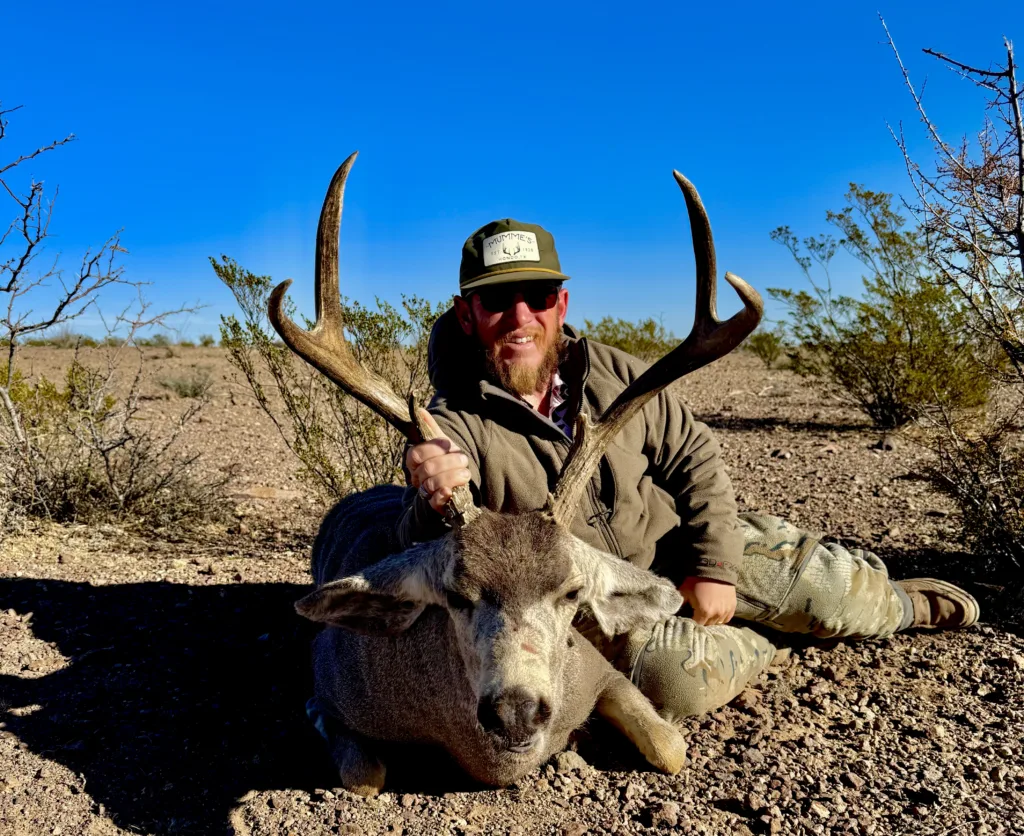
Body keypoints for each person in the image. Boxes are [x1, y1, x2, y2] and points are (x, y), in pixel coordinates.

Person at [397, 219, 979, 721]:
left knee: (831, 595)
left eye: (538, 296)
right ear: (467, 315)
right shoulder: (452, 423)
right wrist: (434, 495)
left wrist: (714, 566)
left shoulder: (617, 374)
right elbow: (430, 549)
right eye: (497, 300)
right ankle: (767, 641)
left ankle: (902, 605)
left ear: (562, 304)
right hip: (595, 608)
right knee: (677, 681)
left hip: (677, 548)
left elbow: (696, 461)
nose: (519, 316)